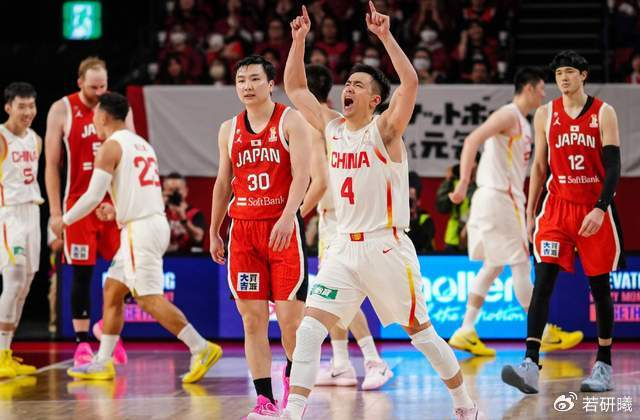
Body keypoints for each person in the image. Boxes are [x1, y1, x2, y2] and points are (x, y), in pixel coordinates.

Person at [260, 4, 482, 419]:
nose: (348, 88)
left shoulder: (385, 130)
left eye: (358, 85)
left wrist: (385, 36)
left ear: (375, 99)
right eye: (347, 83)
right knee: (309, 330)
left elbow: (410, 83)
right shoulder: (331, 127)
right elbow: (295, 88)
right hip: (343, 248)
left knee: (422, 334)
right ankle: (293, 411)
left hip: (386, 247)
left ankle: (465, 405)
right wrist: (298, 40)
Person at [59, 92, 222, 382]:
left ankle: (201, 347)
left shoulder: (110, 146)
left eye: (95, 116)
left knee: (147, 299)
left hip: (140, 230)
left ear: (104, 117)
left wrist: (64, 220)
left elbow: (93, 195)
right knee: (112, 289)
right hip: (149, 223)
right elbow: (138, 190)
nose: (94, 121)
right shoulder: (142, 144)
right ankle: (103, 361)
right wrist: (117, 209)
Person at [502, 50, 623, 394]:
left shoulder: (604, 112)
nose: (564, 78)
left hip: (593, 208)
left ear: (583, 75)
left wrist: (600, 208)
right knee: (542, 283)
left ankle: (603, 365)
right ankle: (530, 364)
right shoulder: (545, 114)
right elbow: (540, 167)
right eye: (558, 74)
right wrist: (530, 213)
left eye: (570, 72)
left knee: (600, 288)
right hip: (556, 208)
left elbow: (613, 167)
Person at [447, 67, 584, 357]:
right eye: (542, 89)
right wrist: (462, 183)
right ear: (529, 88)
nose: (544, 95)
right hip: (500, 198)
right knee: (521, 262)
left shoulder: (522, 122)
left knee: (494, 266)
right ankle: (543, 331)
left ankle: (465, 330)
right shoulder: (509, 115)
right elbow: (472, 140)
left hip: (493, 199)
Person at [209, 55, 311, 417]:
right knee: (252, 321)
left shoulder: (291, 120)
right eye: (241, 80)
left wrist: (288, 216)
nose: (247, 86)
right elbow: (223, 182)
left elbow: (302, 175)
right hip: (243, 233)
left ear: (270, 84)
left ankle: (293, 383)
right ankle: (264, 400)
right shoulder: (228, 129)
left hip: (282, 230)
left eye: (254, 79)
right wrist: (214, 230)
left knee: (290, 323)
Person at [298, 63, 393, 390]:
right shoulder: (333, 121)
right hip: (335, 218)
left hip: (344, 219)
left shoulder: (318, 124)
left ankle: (374, 360)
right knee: (330, 295)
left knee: (337, 295)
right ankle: (341, 364)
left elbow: (322, 181)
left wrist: (293, 217)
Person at [45, 57, 131, 366]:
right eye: (93, 87)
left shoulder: (117, 108)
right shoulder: (62, 109)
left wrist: (120, 204)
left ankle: (107, 331)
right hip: (79, 203)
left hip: (112, 205)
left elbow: (130, 156)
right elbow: (51, 165)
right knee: (82, 274)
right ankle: (82, 343)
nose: (98, 93)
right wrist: (56, 212)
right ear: (80, 82)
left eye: (103, 86)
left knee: (127, 273)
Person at [0, 82, 43, 378]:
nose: (28, 112)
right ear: (8, 108)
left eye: (31, 106)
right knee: (13, 281)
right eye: (21, 107)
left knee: (25, 285)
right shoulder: (2, 137)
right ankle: (1, 353)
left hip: (32, 213)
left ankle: (8, 351)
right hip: (9, 214)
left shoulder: (35, 139)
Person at [162, 172, 206, 253]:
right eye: (170, 190)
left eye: (177, 190)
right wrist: (160, 207)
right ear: (164, 191)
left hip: (188, 258)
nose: (174, 194)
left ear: (185, 191)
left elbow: (198, 238)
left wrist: (183, 218)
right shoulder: (160, 213)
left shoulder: (195, 214)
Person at [436, 163, 475, 252]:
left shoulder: (482, 185)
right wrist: (448, 181)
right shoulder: (454, 184)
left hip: (474, 235)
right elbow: (441, 207)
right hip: (453, 237)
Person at [407, 171, 435, 253]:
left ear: (418, 201)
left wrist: (413, 219)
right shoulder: (396, 221)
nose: (409, 204)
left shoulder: (426, 220)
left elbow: (421, 244)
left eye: (411, 200)